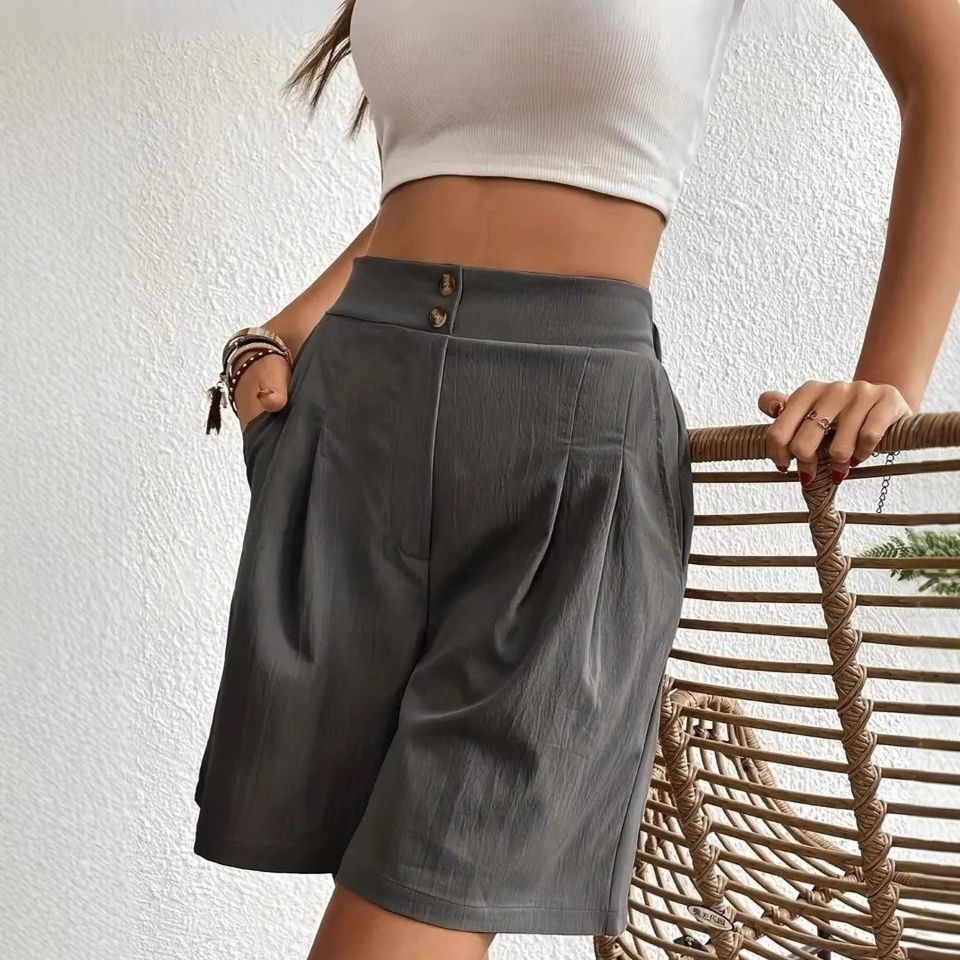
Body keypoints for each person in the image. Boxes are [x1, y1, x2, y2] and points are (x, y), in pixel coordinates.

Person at [193, 2, 960, 958]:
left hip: (569, 450)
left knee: (412, 899)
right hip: (361, 424)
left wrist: (891, 378)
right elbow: (453, 163)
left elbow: (946, 69)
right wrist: (280, 333)